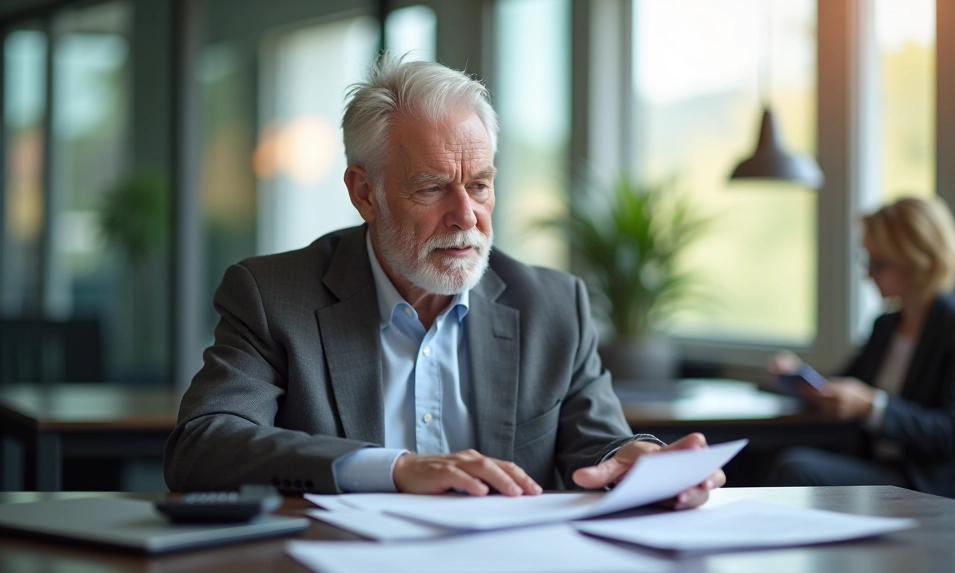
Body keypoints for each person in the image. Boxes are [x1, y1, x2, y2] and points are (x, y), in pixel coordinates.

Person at [164, 54, 724, 507]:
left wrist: (639, 460)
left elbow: (598, 446)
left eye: (479, 185)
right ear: (364, 193)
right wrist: (396, 469)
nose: (465, 216)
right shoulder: (273, 297)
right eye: (432, 188)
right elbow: (203, 445)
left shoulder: (553, 305)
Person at [765, 197, 955, 502]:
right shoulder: (886, 326)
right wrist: (801, 379)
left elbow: (952, 431)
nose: (867, 274)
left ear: (918, 261)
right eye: (867, 260)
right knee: (781, 459)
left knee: (797, 468)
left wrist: (873, 407)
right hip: (877, 467)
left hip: (923, 483)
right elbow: (842, 384)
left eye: (879, 263)